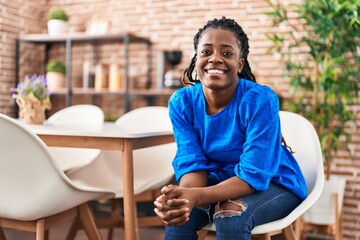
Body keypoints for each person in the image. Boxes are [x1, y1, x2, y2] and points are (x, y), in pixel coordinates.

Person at [154, 16, 307, 240]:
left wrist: (197, 196)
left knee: (230, 216)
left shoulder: (259, 100)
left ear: (240, 64)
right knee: (180, 215)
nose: (215, 58)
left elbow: (253, 174)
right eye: (206, 52)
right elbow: (192, 163)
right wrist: (184, 197)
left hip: (273, 182)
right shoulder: (182, 102)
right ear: (196, 59)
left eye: (227, 53)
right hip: (217, 181)